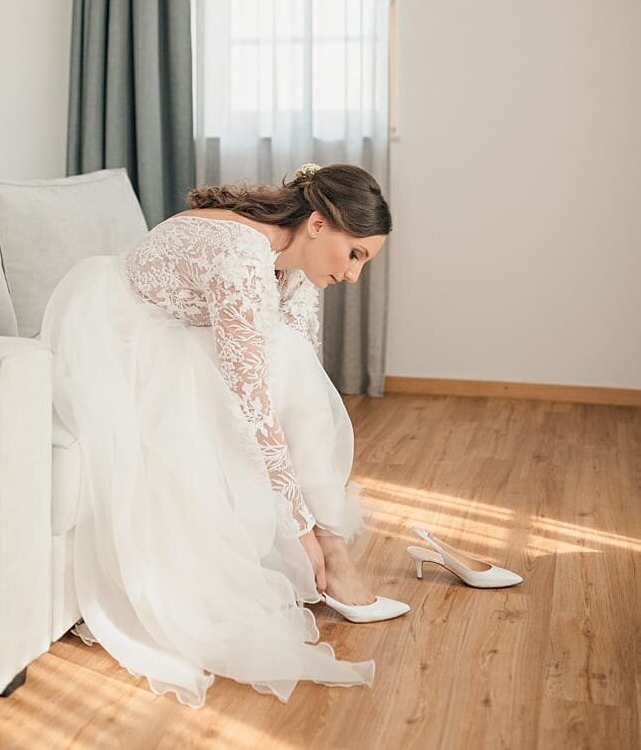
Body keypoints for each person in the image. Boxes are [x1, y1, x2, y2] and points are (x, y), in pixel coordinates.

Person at [40, 162, 408, 709]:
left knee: (290, 358)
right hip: (118, 345)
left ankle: (334, 548)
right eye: (354, 253)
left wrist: (306, 509)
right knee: (262, 377)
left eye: (364, 262)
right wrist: (299, 526)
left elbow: (300, 375)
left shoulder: (295, 258)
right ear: (318, 224)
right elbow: (251, 398)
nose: (354, 275)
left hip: (181, 339)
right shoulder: (239, 256)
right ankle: (332, 553)